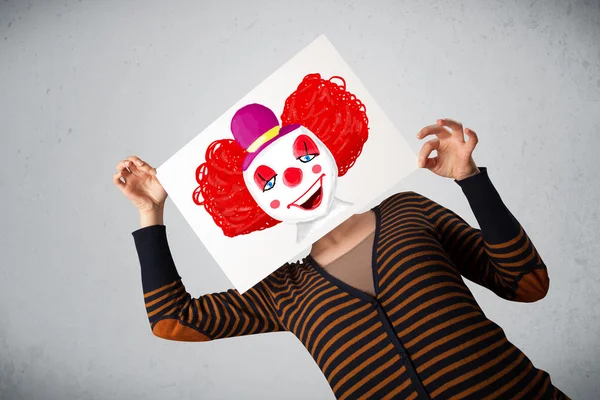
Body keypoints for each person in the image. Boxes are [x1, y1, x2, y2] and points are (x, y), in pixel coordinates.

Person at [113, 118, 570, 400]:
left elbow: (526, 282)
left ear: (331, 149)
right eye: (269, 181)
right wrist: (150, 212)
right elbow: (172, 320)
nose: (295, 177)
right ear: (252, 202)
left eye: (305, 154)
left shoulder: (408, 209)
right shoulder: (279, 289)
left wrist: (470, 179)